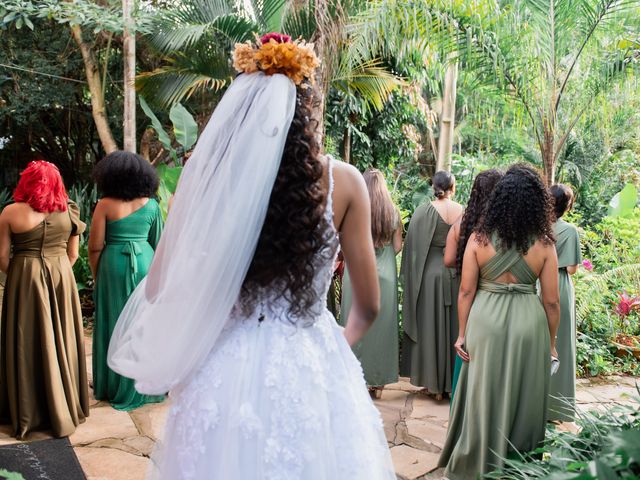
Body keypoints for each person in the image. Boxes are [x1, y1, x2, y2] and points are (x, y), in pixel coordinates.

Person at [107, 34, 396, 479]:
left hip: (224, 364)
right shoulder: (346, 182)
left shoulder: (206, 181)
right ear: (306, 108)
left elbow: (161, 284)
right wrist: (338, 340)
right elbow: (369, 305)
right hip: (309, 363)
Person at [439, 163, 560, 478]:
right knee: (525, 394)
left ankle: (478, 460)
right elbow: (551, 301)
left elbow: (466, 291)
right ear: (536, 201)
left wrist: (462, 334)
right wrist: (552, 343)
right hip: (528, 324)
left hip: (485, 321)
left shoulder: (478, 239)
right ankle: (520, 466)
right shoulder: (545, 244)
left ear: (501, 199)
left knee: (484, 390)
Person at [0, 161, 89, 439]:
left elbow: (2, 257)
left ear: (25, 181)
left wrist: (20, 275)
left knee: (24, 339)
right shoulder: (68, 211)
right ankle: (63, 405)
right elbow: (73, 254)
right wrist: (57, 272)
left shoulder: (10, 212)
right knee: (61, 338)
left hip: (24, 278)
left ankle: (28, 410)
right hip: (61, 275)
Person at [89, 151, 165, 411]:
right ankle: (143, 382)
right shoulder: (152, 205)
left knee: (113, 319)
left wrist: (100, 276)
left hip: (112, 264)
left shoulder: (104, 204)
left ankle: (112, 384)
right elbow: (159, 243)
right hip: (144, 261)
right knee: (143, 323)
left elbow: (95, 247)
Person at [340, 168, 403, 398]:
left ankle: (355, 377)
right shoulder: (393, 212)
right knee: (382, 329)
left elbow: (344, 241)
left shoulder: (356, 210)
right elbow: (397, 246)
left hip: (356, 273)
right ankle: (378, 383)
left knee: (353, 323)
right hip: (385, 275)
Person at [400, 171, 463, 398]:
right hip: (456, 274)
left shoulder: (423, 212)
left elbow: (411, 249)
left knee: (431, 326)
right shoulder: (463, 212)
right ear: (453, 188)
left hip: (429, 275)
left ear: (434, 187)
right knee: (455, 328)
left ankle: (433, 385)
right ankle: (451, 384)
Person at [443, 169, 503, 397]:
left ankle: (462, 398)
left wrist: (464, 261)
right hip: (492, 294)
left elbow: (448, 259)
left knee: (465, 345)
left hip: (468, 292)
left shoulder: (464, 222)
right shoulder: (503, 226)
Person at [547, 183, 581, 422]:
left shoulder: (536, 228)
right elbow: (571, 268)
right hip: (559, 286)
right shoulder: (569, 231)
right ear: (567, 206)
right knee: (562, 345)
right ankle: (558, 409)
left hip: (538, 284)